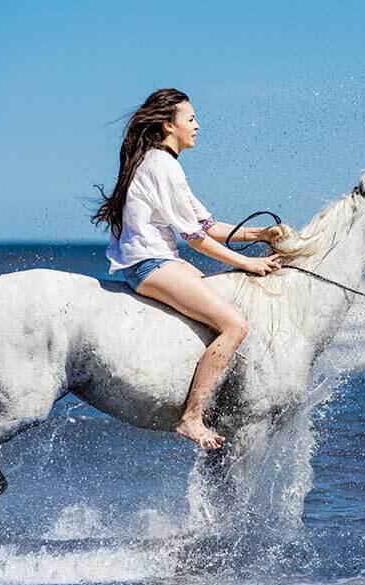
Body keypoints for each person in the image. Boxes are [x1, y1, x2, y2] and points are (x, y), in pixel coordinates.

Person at [93, 88, 283, 450]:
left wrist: (262, 234)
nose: (197, 126)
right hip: (150, 265)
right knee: (234, 324)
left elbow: (209, 226)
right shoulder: (162, 166)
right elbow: (196, 239)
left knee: (225, 307)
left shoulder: (160, 163)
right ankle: (191, 417)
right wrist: (248, 262)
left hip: (159, 261)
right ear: (168, 125)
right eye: (190, 119)